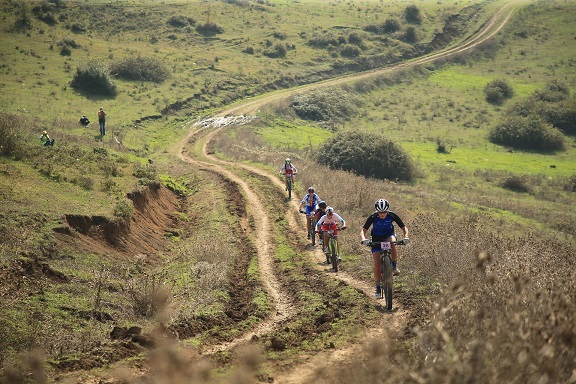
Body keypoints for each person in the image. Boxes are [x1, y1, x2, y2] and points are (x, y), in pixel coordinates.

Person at [360, 198, 409, 298]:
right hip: (376, 238)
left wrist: (406, 237)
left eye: (384, 212)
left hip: (388, 235)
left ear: (387, 210)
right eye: (380, 212)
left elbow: (404, 227)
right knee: (377, 262)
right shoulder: (373, 217)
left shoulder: (392, 215)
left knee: (392, 243)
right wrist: (364, 239)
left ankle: (394, 266)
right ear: (377, 212)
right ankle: (378, 287)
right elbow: (363, 230)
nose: (382, 214)